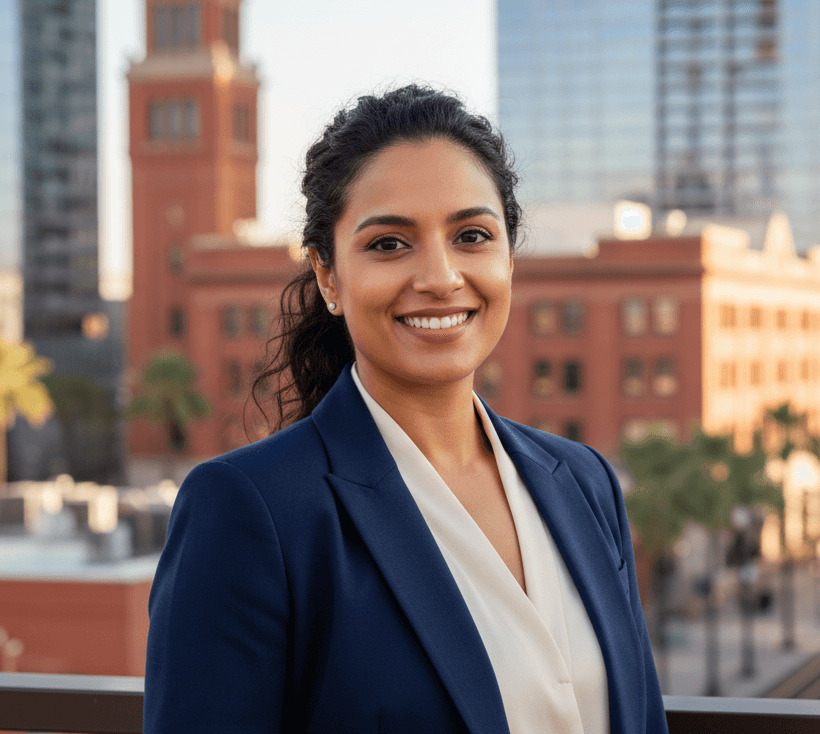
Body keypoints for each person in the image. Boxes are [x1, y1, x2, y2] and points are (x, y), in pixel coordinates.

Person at [144, 85, 667, 734]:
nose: (441, 276)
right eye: (390, 244)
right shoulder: (252, 511)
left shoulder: (584, 481)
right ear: (329, 275)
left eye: (472, 235)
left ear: (509, 255)